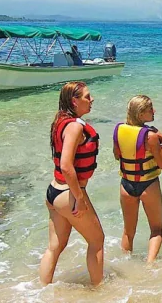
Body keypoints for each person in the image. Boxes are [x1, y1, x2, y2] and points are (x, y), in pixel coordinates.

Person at [39, 81, 104, 286]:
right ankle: (99, 293)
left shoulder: (60, 121)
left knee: (54, 247)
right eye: (87, 96)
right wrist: (79, 198)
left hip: (54, 192)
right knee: (97, 241)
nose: (91, 100)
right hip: (68, 195)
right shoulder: (75, 127)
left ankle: (41, 293)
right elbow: (67, 166)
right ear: (74, 101)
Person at [114, 95, 162, 263]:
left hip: (126, 186)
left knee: (128, 232)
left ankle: (125, 265)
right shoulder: (151, 136)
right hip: (148, 185)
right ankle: (150, 266)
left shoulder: (118, 130)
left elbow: (117, 156)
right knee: (156, 230)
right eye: (150, 109)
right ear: (140, 114)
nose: (154, 111)